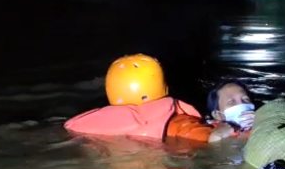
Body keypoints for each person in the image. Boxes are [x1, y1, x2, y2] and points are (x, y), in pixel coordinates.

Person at [64, 54, 233, 143]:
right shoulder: (175, 122)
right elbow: (211, 138)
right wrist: (224, 129)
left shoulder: (87, 124)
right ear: (163, 87)